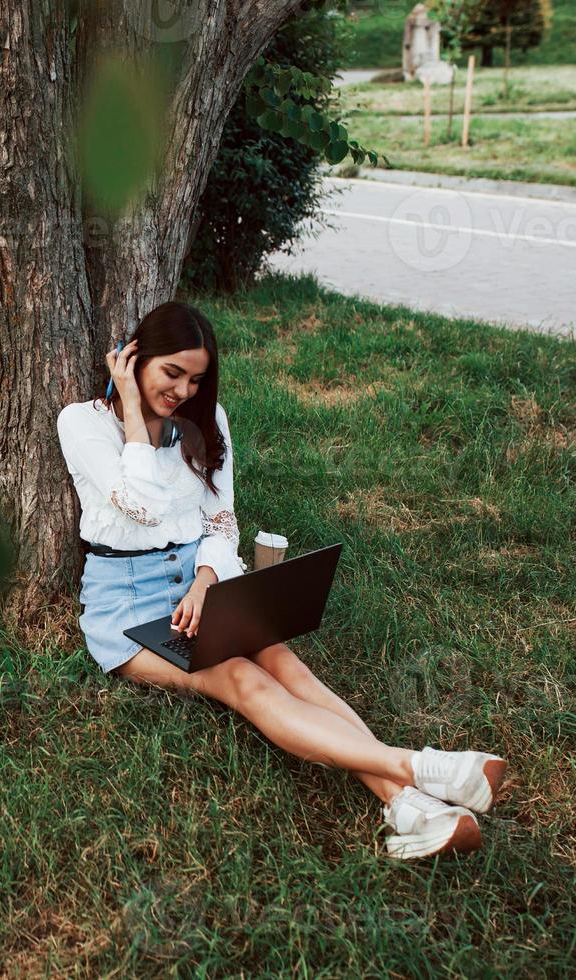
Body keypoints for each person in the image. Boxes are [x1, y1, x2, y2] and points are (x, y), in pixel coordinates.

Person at [56, 301, 506, 860]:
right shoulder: (82, 422)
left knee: (287, 664)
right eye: (172, 372)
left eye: (196, 379)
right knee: (242, 679)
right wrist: (128, 405)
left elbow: (221, 521)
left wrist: (206, 580)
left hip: (198, 586)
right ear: (135, 357)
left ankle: (409, 806)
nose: (183, 392)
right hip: (125, 608)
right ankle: (418, 768)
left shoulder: (207, 421)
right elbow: (139, 505)